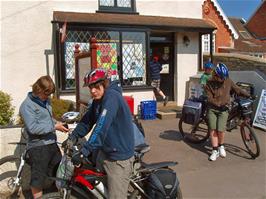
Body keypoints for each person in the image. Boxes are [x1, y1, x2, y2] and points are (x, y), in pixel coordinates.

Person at [66, 68, 135, 199]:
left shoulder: (112, 97)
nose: (92, 91)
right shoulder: (98, 99)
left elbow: (101, 127)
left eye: (96, 86)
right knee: (98, 191)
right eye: (91, 87)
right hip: (105, 152)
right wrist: (74, 136)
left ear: (105, 83)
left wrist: (84, 151)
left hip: (118, 158)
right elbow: (87, 121)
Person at [19, 75, 69, 199]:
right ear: (38, 90)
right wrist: (54, 127)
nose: (48, 97)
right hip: (38, 147)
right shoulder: (27, 106)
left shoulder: (46, 100)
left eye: (49, 95)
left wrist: (57, 123)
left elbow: (47, 119)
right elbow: (33, 128)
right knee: (38, 180)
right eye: (46, 94)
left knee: (59, 175)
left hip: (51, 144)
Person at [205, 63, 250, 161]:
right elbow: (209, 98)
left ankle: (221, 146)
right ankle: (214, 150)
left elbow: (237, 89)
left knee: (221, 130)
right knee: (213, 129)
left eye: (224, 77)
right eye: (221, 77)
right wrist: (218, 103)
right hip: (213, 109)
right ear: (216, 74)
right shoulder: (209, 83)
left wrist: (248, 95)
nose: (222, 79)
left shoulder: (228, 81)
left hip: (224, 109)